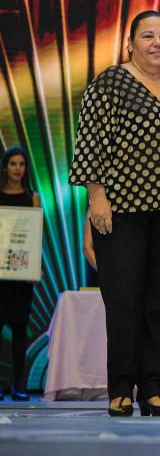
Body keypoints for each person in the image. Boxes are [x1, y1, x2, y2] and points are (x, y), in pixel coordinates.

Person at [69, 10, 160, 417]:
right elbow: (91, 142)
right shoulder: (110, 83)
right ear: (130, 44)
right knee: (124, 302)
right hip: (122, 209)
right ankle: (120, 389)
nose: (157, 43)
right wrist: (97, 196)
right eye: (147, 36)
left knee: (156, 304)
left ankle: (152, 389)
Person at [0, 147, 41, 401]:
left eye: (22, 164)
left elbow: (36, 235)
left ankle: (18, 386)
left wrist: (36, 264)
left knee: (19, 330)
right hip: (0, 274)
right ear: (5, 167)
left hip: (22, 275)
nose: (18, 168)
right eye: (13, 164)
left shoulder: (33, 197)